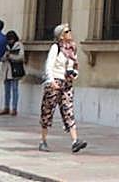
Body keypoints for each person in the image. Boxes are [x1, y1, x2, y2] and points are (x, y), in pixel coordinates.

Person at [39, 23, 87, 154]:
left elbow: (74, 66)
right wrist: (51, 80)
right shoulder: (56, 48)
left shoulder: (71, 49)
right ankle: (43, 140)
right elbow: (49, 65)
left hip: (67, 83)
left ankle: (75, 141)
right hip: (55, 82)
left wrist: (74, 74)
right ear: (61, 35)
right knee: (48, 111)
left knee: (68, 110)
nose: (70, 33)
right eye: (67, 31)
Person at [1, 30, 24, 116]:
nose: (10, 41)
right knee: (7, 90)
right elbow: (1, 57)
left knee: (15, 89)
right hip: (6, 70)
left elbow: (21, 56)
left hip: (15, 70)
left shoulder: (19, 45)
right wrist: (5, 56)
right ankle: (6, 107)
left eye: (11, 39)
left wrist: (11, 56)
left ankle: (14, 108)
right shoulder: (5, 46)